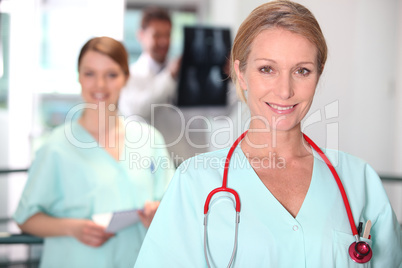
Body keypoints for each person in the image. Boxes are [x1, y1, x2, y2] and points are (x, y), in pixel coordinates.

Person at [133, 1, 402, 267]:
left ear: (318, 75)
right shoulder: (193, 183)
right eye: (267, 69)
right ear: (241, 73)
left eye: (302, 70)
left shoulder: (359, 181)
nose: (285, 91)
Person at [13, 36, 175, 268]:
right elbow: (25, 218)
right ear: (78, 77)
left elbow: (173, 206)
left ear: (125, 78)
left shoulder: (149, 139)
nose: (100, 85)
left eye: (111, 74)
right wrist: (72, 228)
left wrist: (157, 213)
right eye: (89, 74)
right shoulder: (56, 146)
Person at [118, 6, 180, 123]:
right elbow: (139, 110)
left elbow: (217, 111)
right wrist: (170, 76)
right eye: (157, 35)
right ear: (141, 35)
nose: (164, 41)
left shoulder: (181, 71)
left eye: (167, 35)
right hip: (149, 141)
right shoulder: (130, 75)